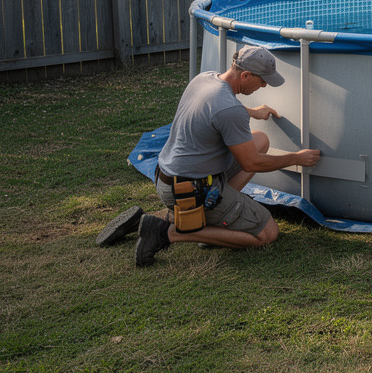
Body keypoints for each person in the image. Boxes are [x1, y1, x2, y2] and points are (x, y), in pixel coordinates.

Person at [111, 45, 320, 266]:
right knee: (267, 233)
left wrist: (251, 112)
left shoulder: (205, 79)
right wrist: (296, 158)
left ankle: (181, 220)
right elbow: (251, 162)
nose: (264, 85)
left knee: (259, 140)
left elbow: (214, 109)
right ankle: (166, 231)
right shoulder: (230, 110)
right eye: (262, 79)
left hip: (168, 176)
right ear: (245, 74)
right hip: (190, 190)